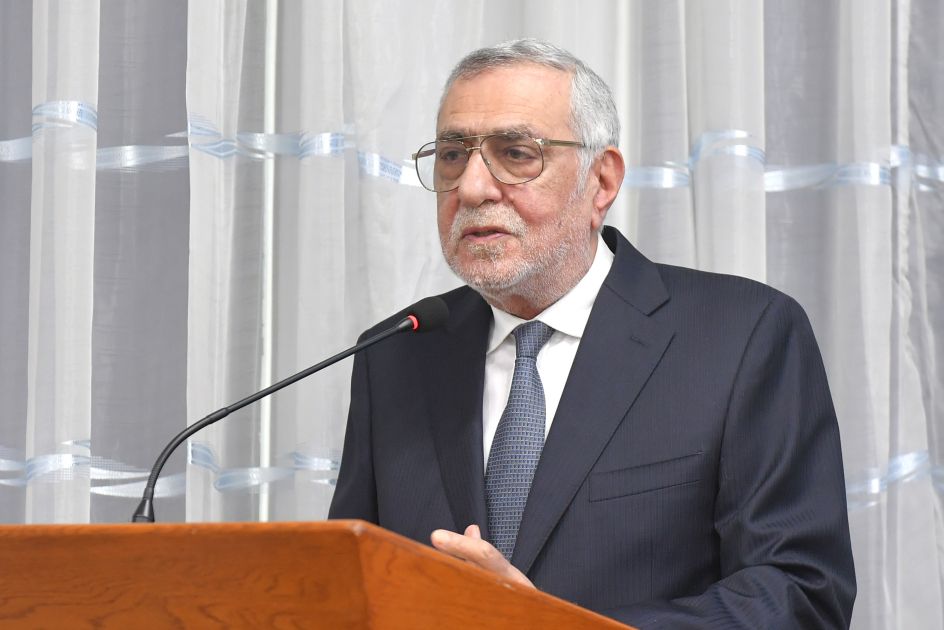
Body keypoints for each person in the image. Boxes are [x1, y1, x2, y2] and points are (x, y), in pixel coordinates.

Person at [329, 38, 855, 628]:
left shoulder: (742, 335)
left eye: (515, 153)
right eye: (453, 155)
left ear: (601, 181)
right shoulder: (397, 352)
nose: (472, 188)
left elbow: (800, 595)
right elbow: (347, 590)